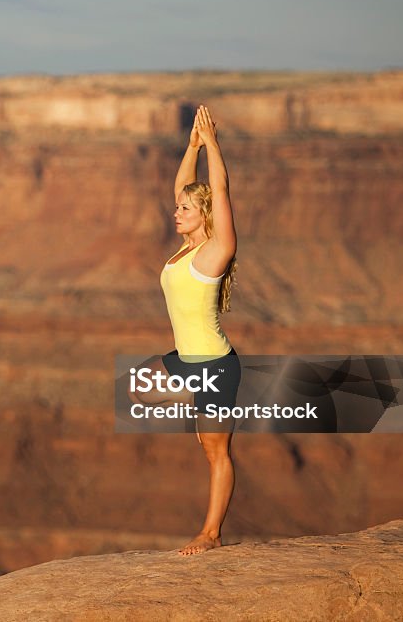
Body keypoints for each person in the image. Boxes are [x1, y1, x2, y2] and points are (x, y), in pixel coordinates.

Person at [161, 105, 240, 556]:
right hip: (188, 363)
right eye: (177, 207)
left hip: (213, 365)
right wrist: (189, 147)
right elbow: (180, 186)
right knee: (136, 389)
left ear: (203, 214)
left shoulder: (214, 252)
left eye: (186, 208)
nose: (177, 211)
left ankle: (210, 534)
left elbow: (221, 189)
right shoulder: (184, 248)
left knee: (216, 451)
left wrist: (211, 144)